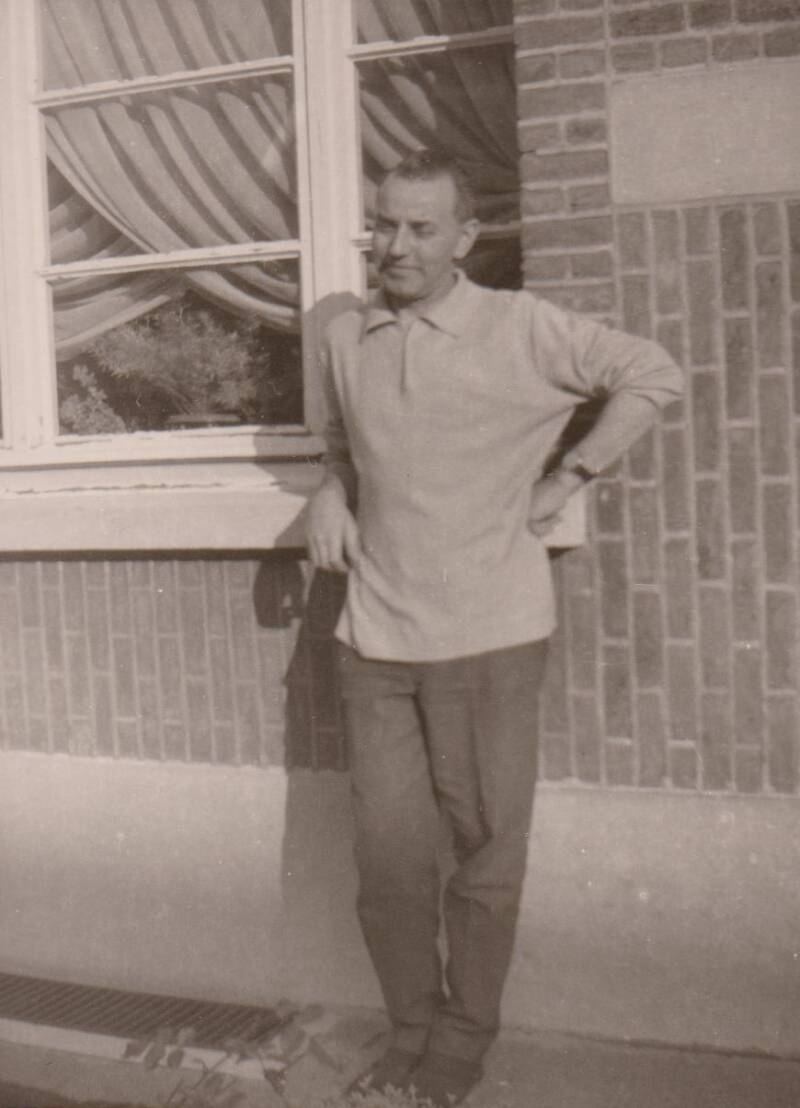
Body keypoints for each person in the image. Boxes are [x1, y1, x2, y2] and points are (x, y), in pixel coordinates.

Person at [306, 147, 683, 1107]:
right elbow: (345, 446)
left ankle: (457, 1053)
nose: (395, 245)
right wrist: (329, 491)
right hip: (373, 642)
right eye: (384, 224)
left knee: (482, 861)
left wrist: (571, 475)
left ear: (466, 237)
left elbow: (653, 375)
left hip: (487, 641)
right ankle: (409, 1035)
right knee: (387, 870)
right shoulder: (345, 336)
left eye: (420, 228)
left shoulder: (519, 327)